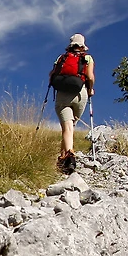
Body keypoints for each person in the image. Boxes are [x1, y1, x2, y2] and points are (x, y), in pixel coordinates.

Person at [48, 33, 95, 172]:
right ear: (82, 46)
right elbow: (90, 77)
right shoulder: (87, 58)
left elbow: (52, 75)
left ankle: (69, 158)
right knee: (71, 127)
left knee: (67, 128)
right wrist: (90, 89)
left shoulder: (61, 58)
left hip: (63, 95)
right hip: (81, 94)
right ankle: (63, 158)